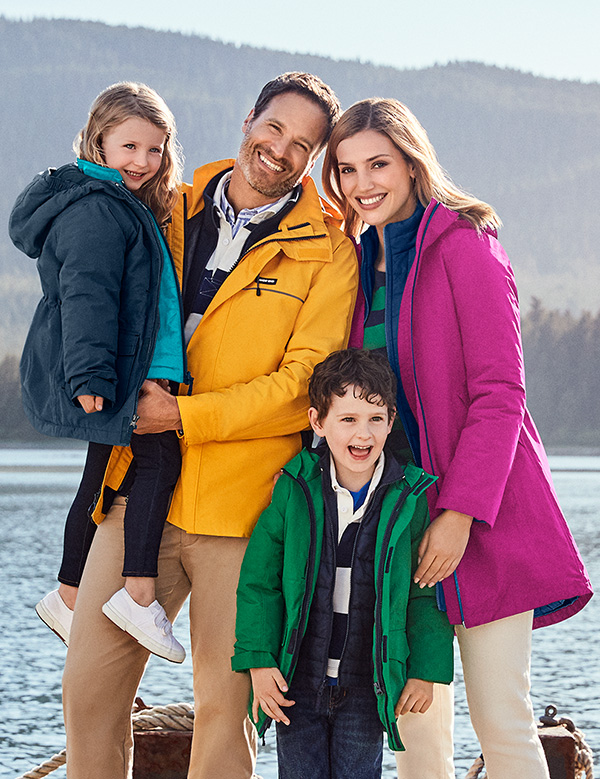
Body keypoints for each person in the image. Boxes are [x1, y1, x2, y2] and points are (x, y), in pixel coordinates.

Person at [59, 72, 358, 779]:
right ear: (249, 118)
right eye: (274, 127)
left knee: (226, 713)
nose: (280, 149)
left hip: (245, 510)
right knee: (88, 693)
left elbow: (301, 389)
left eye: (302, 144)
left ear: (314, 158)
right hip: (137, 493)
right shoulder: (166, 205)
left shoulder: (329, 252)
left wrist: (182, 415)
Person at [322, 98, 593, 779]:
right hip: (396, 523)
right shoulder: (359, 263)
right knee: (414, 729)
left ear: (413, 164)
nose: (363, 183)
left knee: (501, 719)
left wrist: (459, 514)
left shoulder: (467, 246)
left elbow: (501, 394)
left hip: (483, 516)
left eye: (378, 164)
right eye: (347, 169)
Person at [10, 82, 192, 664]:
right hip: (120, 372)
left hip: (136, 366)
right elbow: (88, 294)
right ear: (99, 143)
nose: (142, 161)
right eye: (129, 147)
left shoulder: (123, 202)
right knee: (158, 460)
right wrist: (91, 377)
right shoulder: (98, 209)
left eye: (155, 149)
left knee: (101, 474)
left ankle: (69, 593)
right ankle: (138, 592)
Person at [232, 348, 454, 779]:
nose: (363, 434)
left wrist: (425, 672)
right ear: (317, 422)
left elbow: (423, 594)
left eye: (375, 419)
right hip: (295, 682)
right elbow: (259, 584)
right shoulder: (293, 489)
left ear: (391, 421)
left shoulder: (408, 500)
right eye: (348, 419)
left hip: (367, 687)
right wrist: (258, 661)